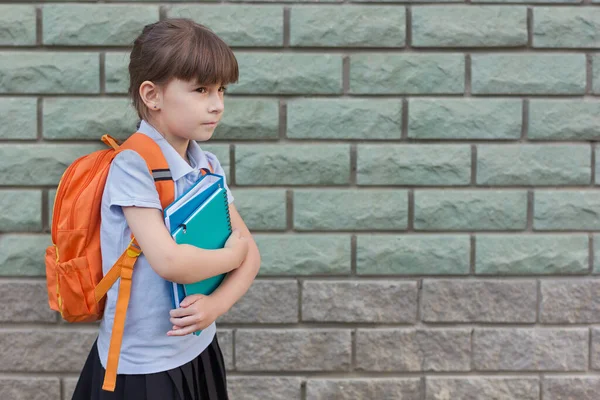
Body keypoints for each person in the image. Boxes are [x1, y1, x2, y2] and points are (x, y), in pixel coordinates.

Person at [71, 18, 261, 400]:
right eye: (201, 90)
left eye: (221, 90)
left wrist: (215, 306)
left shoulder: (206, 164)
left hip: (197, 346)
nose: (217, 105)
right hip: (143, 365)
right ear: (152, 95)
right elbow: (170, 261)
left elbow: (253, 256)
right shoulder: (132, 165)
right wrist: (232, 254)